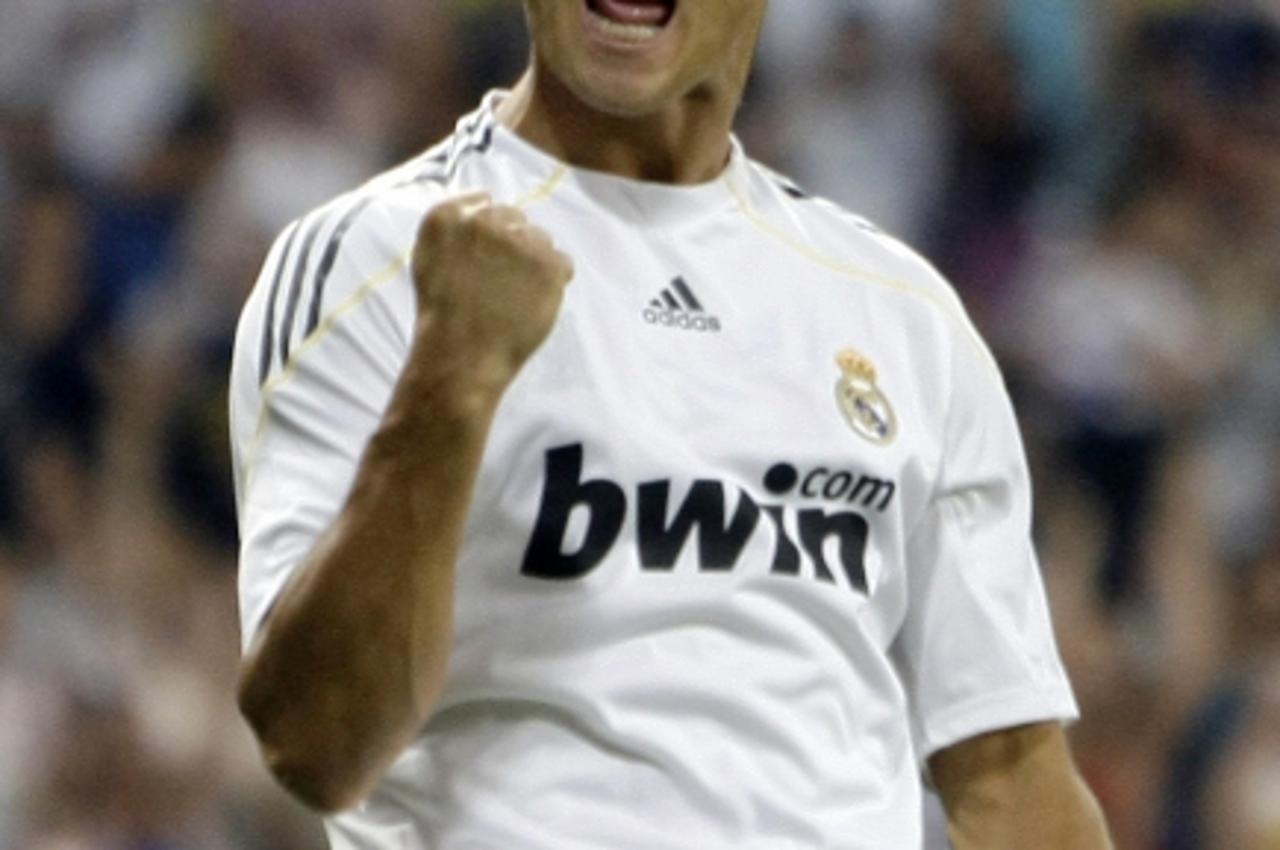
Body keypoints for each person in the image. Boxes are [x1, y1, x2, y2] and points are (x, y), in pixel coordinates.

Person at [229, 1, 1113, 847]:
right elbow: (315, 744)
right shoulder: (378, 260)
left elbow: (1012, 780)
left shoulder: (904, 314)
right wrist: (450, 382)